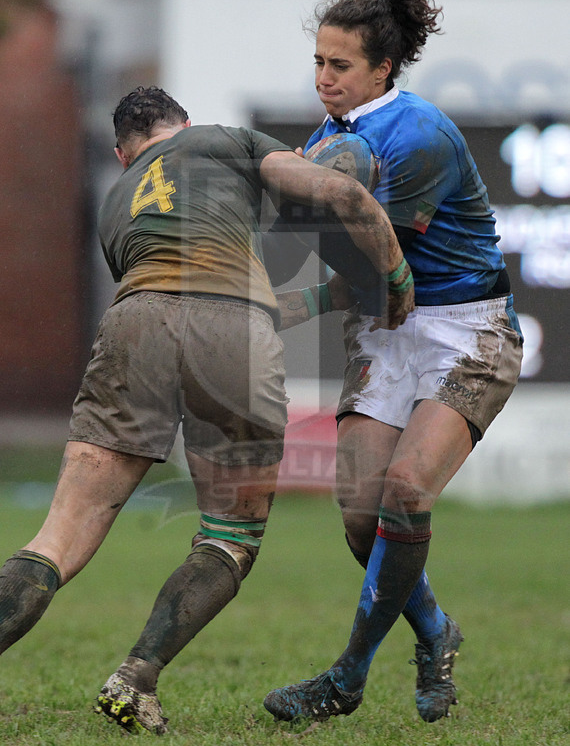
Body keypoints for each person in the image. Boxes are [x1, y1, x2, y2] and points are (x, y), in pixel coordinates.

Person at [0, 86, 413, 735]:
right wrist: (394, 277)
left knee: (58, 536)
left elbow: (172, 292)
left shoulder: (115, 203)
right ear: (183, 125)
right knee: (230, 536)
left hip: (134, 321)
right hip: (236, 334)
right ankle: (136, 676)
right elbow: (343, 197)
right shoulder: (223, 140)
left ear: (122, 152)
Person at [262, 0, 524, 725]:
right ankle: (437, 632)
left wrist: (291, 304)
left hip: (466, 331)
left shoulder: (418, 137)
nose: (323, 77)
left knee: (407, 492)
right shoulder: (329, 139)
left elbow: (387, 274)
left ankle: (344, 679)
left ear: (383, 68)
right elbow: (361, 279)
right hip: (385, 334)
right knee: (359, 517)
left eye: (340, 65)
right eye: (317, 61)